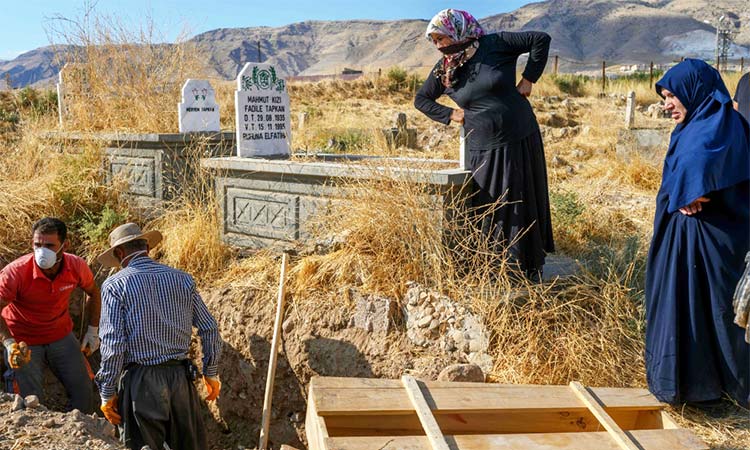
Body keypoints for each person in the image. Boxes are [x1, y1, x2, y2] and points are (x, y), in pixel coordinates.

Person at [414, 8, 554, 280]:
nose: (438, 46)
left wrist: (528, 79)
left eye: (440, 39)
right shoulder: (445, 69)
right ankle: (493, 268)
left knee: (519, 200)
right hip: (481, 147)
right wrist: (451, 114)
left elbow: (540, 39)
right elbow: (421, 100)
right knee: (489, 205)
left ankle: (524, 268)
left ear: (458, 32)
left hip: (518, 136)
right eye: (434, 42)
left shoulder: (495, 44)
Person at [645, 58, 749, 408]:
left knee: (713, 315)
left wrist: (685, 188)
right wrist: (680, 190)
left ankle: (713, 388)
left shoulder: (720, 125)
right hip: (691, 242)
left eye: (672, 95)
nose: (667, 104)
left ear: (695, 91)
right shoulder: (696, 124)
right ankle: (694, 385)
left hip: (711, 245)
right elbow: (682, 179)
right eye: (664, 97)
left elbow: (697, 171)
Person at [95, 222, 222, 450]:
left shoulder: (115, 285)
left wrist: (107, 392)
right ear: (147, 248)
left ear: (120, 253)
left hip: (141, 382)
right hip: (181, 379)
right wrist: (210, 372)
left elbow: (113, 345)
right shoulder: (183, 279)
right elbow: (209, 328)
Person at [0, 217, 99, 413]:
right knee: (29, 400)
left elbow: (94, 292)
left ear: (64, 245)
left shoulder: (76, 266)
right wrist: (9, 343)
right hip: (23, 339)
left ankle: (83, 435)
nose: (42, 251)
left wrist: (92, 331)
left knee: (84, 389)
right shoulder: (16, 273)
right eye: (37, 244)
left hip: (60, 334)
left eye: (49, 245)